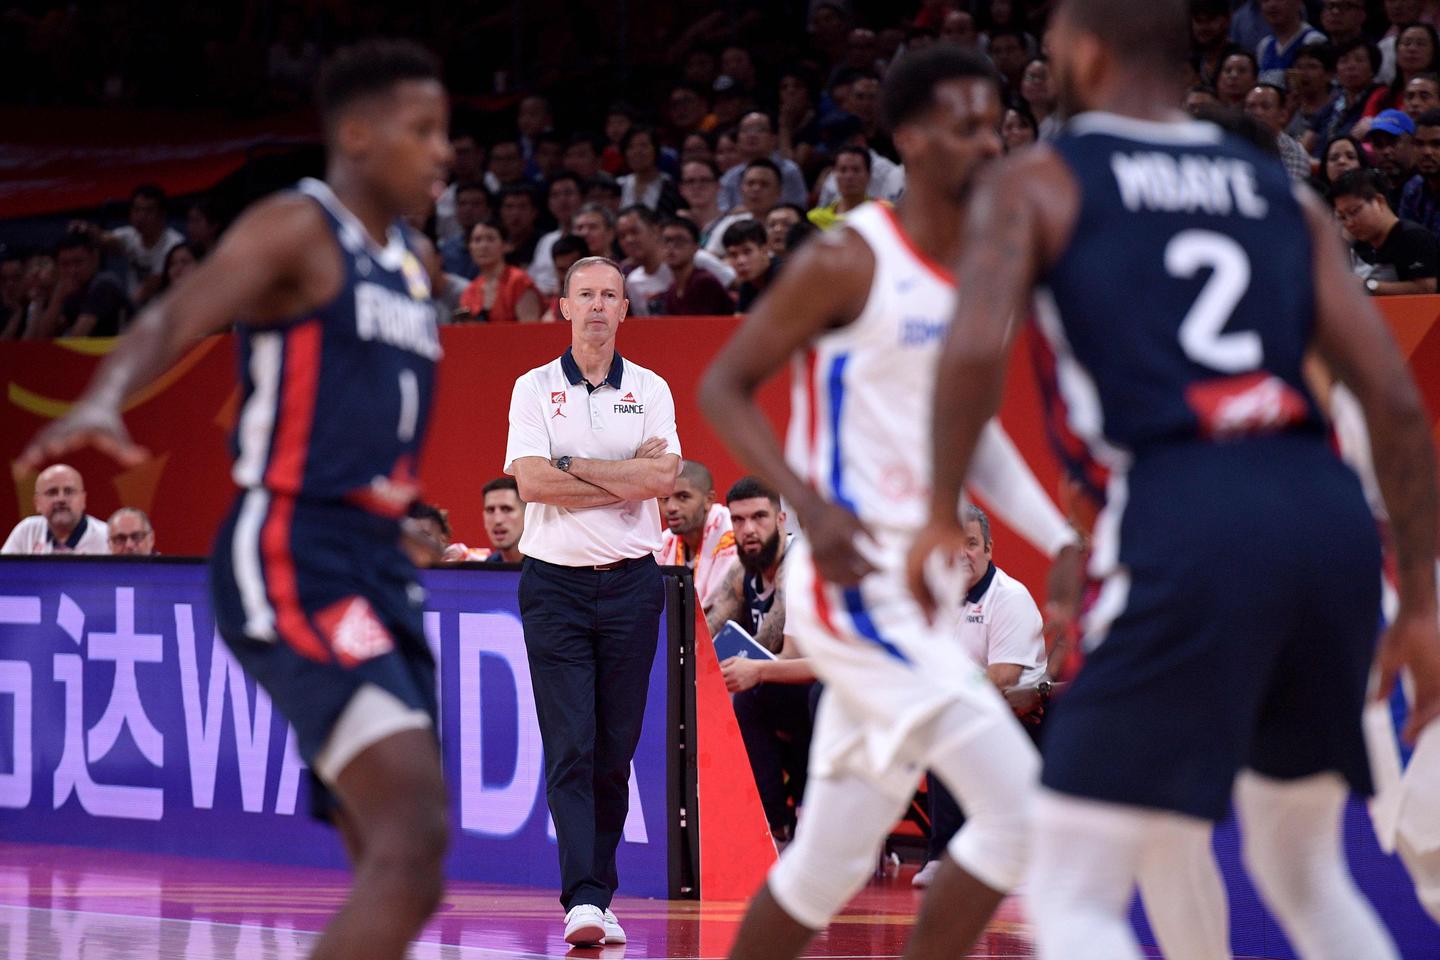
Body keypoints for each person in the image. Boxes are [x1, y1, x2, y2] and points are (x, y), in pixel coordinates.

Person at [905, 3, 1440, 958]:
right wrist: (1425, 604)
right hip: (1326, 523)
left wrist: (940, 509)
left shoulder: (1041, 179)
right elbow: (1398, 409)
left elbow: (971, 356)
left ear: (1086, 51)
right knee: (1305, 874)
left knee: (1069, 888)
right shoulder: (1277, 189)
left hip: (1187, 514)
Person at [17, 40, 454, 960]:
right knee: (414, 842)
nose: (444, 151)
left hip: (376, 557)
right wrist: (101, 393)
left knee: (393, 851)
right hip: (301, 548)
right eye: (423, 131)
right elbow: (178, 312)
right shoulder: (300, 227)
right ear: (359, 135)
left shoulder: (417, 262)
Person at [698, 46, 1083, 960]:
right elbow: (724, 386)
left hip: (925, 591)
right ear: (907, 138)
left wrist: (1058, 534)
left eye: (997, 122)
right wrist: (809, 510)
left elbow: (977, 433)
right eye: (964, 123)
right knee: (1020, 812)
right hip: (855, 591)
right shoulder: (850, 255)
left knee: (822, 868)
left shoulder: (987, 270)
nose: (988, 139)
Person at [503, 255, 682, 947]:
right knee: (572, 744)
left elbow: (665, 476)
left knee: (615, 748)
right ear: (565, 308)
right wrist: (620, 478)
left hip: (633, 583)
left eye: (612, 294)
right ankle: (582, 896)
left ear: (626, 310)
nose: (600, 305)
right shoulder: (533, 387)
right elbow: (531, 486)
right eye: (587, 295)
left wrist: (571, 464)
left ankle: (599, 892)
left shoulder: (652, 388)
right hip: (555, 584)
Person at [912, 503, 1048, 889]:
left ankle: (946, 854)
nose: (961, 553)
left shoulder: (1009, 598)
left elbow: (1001, 678)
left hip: (1025, 721)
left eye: (970, 544)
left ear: (988, 549)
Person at [704, 476, 818, 843]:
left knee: (753, 696)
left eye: (759, 517)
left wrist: (745, 670)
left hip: (825, 685)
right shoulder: (742, 572)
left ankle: (788, 818)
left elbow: (780, 647)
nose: (748, 529)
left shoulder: (798, 568)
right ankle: (769, 819)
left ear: (782, 520)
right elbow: (705, 633)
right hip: (785, 684)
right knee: (732, 696)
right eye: (738, 520)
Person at [1332, 168, 1440, 295]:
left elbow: (1426, 288)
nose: (1349, 223)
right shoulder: (1361, 243)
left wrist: (1368, 285)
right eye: (1343, 217)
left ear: (1379, 201)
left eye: (1354, 211)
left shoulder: (1413, 237)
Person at [656, 459, 738, 612]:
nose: (671, 507)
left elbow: (723, 609)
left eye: (683, 497)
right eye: (664, 499)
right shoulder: (662, 544)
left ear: (709, 500)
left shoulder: (731, 534)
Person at [2, 463, 110, 555]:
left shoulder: (107, 537)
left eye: (69, 491)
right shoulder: (27, 531)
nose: (61, 499)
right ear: (37, 503)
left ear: (83, 500)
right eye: (52, 492)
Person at [458, 219, 543, 322]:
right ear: (470, 247)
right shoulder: (469, 291)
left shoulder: (519, 281)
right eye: (477, 240)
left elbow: (531, 330)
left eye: (491, 239)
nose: (483, 246)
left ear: (505, 245)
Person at [659, 217, 736, 316]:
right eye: (667, 240)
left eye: (680, 240)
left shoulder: (704, 282)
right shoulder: (671, 289)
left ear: (695, 247)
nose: (671, 247)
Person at [481, 476, 525, 564]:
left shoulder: (548, 571)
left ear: (527, 515)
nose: (498, 520)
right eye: (490, 510)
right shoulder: (486, 569)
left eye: (506, 509)